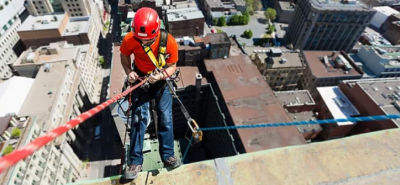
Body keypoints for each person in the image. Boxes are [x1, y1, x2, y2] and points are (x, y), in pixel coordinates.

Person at [119, 7, 181, 179]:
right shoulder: (130, 39)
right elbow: (124, 57)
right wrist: (128, 72)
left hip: (160, 79)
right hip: (140, 77)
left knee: (165, 116)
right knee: (139, 118)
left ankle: (168, 156)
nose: (144, 43)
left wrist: (161, 75)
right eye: (141, 40)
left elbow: (173, 66)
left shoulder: (168, 41)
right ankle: (135, 162)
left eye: (148, 40)